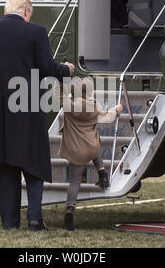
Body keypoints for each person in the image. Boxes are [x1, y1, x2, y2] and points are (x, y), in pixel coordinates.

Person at [0, 0, 74, 230]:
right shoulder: (36, 32)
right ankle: (34, 218)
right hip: (27, 105)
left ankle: (9, 222)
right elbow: (46, 68)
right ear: (26, 12)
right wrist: (66, 69)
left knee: (3, 163)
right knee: (33, 161)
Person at [55, 77, 123, 231]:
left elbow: (57, 94)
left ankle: (70, 209)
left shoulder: (70, 106)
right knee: (93, 142)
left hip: (76, 151)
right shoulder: (95, 106)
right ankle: (102, 173)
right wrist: (117, 110)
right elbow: (108, 116)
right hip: (92, 148)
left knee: (75, 181)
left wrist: (61, 79)